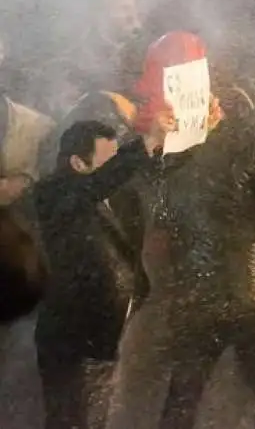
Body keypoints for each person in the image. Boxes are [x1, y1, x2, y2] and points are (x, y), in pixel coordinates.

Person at [33, 108, 175, 429]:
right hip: (70, 339)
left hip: (106, 338)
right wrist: (145, 141)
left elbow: (139, 174)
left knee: (95, 421)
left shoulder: (119, 198)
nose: (115, 171)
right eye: (106, 161)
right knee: (69, 421)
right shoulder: (55, 193)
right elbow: (96, 184)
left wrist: (176, 136)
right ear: (77, 164)